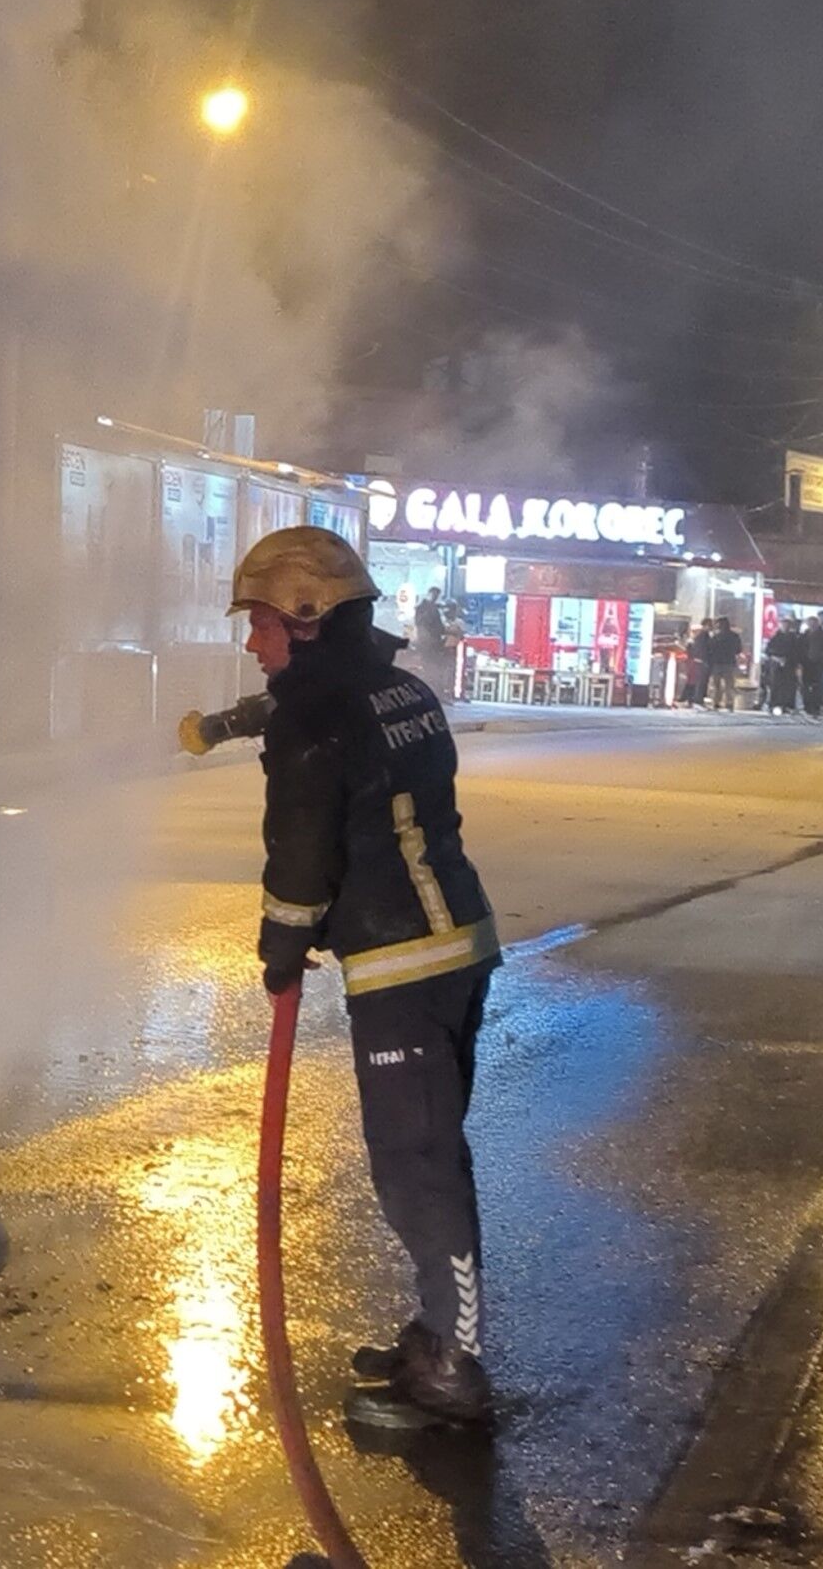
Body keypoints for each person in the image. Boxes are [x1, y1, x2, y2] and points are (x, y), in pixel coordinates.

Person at [231, 526, 500, 1430]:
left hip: (403, 962)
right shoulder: (399, 688)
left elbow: (302, 847)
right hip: (454, 943)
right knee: (431, 1152)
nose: (252, 641)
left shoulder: (316, 714)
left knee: (417, 1166)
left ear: (308, 618)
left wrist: (282, 942)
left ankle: (453, 1365)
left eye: (263, 622)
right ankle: (437, 1331)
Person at [799, 613, 823, 720]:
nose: (812, 625)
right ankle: (808, 707)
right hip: (807, 664)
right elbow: (800, 649)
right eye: (810, 623)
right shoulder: (805, 635)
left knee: (820, 687)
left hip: (820, 665)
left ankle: (820, 707)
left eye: (814, 623)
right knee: (806, 686)